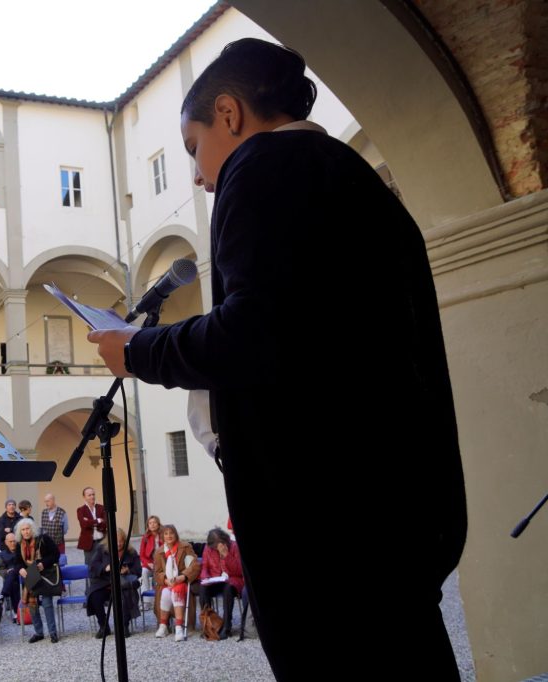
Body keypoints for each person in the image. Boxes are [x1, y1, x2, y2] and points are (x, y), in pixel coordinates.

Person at [87, 37, 467, 680]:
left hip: (325, 535)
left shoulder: (262, 167)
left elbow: (253, 335)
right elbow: (295, 329)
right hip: (394, 516)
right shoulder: (354, 180)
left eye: (192, 148)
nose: (199, 176)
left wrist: (139, 351)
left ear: (229, 115)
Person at [13, 517, 60, 644]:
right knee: (32, 605)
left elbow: (56, 554)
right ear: (20, 532)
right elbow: (17, 562)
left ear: (32, 529)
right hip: (31, 575)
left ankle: (52, 633)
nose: (26, 532)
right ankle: (39, 632)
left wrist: (43, 563)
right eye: (23, 530)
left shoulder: (43, 539)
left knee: (47, 603)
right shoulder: (19, 544)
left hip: (45, 574)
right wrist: (20, 568)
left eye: (28, 528)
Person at [87, 529, 140, 638]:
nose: (119, 544)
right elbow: (92, 567)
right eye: (116, 541)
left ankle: (124, 626)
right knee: (94, 596)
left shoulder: (131, 552)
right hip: (105, 584)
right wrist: (106, 568)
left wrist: (128, 570)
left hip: (123, 584)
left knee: (124, 597)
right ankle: (103, 626)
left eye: (121, 541)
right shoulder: (101, 550)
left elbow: (138, 570)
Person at [195, 528, 245, 640]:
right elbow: (204, 566)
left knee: (228, 589)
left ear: (224, 541)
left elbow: (239, 571)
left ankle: (227, 627)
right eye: (214, 546)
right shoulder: (208, 549)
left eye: (218, 544)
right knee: (203, 589)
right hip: (215, 579)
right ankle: (209, 626)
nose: (216, 548)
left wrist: (226, 555)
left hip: (232, 580)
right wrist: (205, 577)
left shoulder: (234, 547)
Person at [152, 524, 199, 642]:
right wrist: (165, 580)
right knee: (166, 592)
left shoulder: (185, 547)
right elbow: (157, 572)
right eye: (166, 534)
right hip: (167, 583)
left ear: (176, 534)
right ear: (162, 536)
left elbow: (195, 565)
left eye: (171, 533)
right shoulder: (159, 552)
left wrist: (183, 577)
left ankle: (179, 627)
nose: (169, 536)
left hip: (182, 581)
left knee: (176, 590)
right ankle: (163, 625)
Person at [76, 487, 106, 565]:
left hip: (102, 540)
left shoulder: (101, 508)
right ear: (84, 497)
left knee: (104, 562)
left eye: (93, 494)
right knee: (90, 564)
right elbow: (84, 524)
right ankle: (90, 578)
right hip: (89, 542)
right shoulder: (81, 510)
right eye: (89, 495)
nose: (92, 496)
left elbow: (105, 523)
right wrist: (98, 520)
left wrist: (89, 522)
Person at [0, 532, 21, 622]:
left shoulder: (21, 551)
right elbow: (1, 570)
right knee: (13, 582)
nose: (13, 543)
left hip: (23, 577)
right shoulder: (2, 555)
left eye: (14, 541)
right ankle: (17, 613)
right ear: (6, 542)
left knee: (13, 572)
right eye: (10, 542)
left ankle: (2, 595)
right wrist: (7, 572)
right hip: (11, 580)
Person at [139, 515, 164, 592]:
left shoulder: (163, 535)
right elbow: (142, 555)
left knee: (157, 579)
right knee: (144, 571)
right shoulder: (145, 537)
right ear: (148, 525)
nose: (152, 525)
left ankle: (158, 594)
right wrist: (148, 564)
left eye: (154, 522)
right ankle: (146, 593)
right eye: (150, 523)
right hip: (150, 564)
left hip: (161, 564)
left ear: (158, 524)